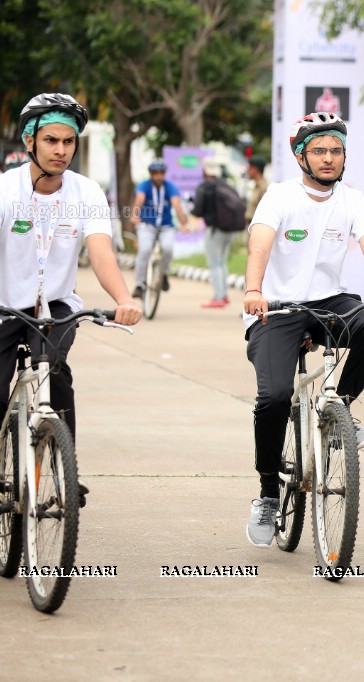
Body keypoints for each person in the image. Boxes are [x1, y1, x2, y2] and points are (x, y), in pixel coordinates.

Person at [242, 112, 364, 547]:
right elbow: (259, 244)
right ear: (301, 155)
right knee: (275, 398)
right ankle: (267, 492)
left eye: (336, 151)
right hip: (278, 308)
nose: (328, 158)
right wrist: (252, 289)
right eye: (319, 150)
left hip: (329, 301)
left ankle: (342, 410)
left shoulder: (354, 201)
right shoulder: (279, 197)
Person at [0, 93, 141, 461]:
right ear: (29, 141)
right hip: (3, 304)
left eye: (68, 141)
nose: (60, 150)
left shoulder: (86, 191)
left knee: (56, 374)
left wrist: (123, 299)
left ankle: (65, 469)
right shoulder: (5, 190)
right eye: (50, 140)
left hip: (56, 304)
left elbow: (100, 252)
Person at [131, 158, 189, 299]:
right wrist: (135, 215)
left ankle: (163, 274)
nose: (158, 176)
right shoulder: (144, 186)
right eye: (155, 173)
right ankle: (139, 284)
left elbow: (176, 204)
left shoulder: (170, 187)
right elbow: (139, 200)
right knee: (144, 250)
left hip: (166, 227)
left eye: (161, 173)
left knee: (168, 249)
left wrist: (183, 222)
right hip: (147, 225)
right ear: (150, 174)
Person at [192, 158, 238, 308]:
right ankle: (224, 295)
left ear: (205, 171)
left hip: (214, 230)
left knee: (214, 264)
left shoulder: (204, 187)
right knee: (222, 262)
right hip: (230, 230)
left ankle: (218, 297)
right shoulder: (227, 185)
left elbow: (197, 211)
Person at [245, 155, 269, 224]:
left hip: (256, 227)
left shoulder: (264, 188)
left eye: (250, 167)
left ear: (255, 169)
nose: (247, 170)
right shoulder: (257, 186)